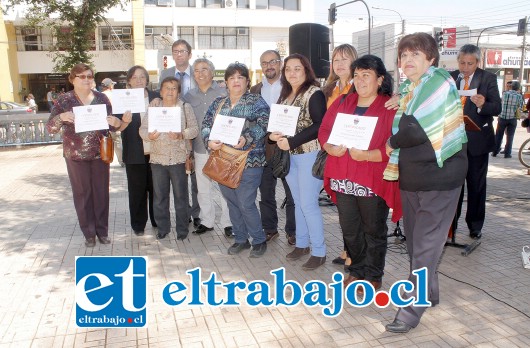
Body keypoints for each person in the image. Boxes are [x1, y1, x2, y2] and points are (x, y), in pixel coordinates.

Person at [383, 32, 468, 333]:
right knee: (416, 245)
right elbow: (406, 117)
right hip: (413, 178)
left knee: (425, 247)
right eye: (404, 55)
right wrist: (401, 101)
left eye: (415, 54)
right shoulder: (409, 88)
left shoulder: (439, 82)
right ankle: (430, 294)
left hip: (441, 179)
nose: (408, 61)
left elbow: (416, 129)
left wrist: (392, 141)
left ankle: (410, 311)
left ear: (431, 59)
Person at [319, 54, 401, 291]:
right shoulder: (344, 101)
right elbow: (325, 129)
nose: (360, 80)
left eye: (367, 75)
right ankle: (357, 270)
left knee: (373, 230)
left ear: (380, 79)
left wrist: (368, 155)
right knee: (350, 230)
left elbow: (395, 143)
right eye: (356, 75)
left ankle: (374, 274)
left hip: (371, 177)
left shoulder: (389, 106)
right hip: (344, 177)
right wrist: (329, 147)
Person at [46, 63, 122, 247]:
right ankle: (89, 233)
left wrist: (116, 121)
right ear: (73, 79)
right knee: (82, 194)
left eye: (90, 76)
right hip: (75, 155)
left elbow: (112, 125)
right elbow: (50, 128)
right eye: (82, 76)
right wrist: (61, 117)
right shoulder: (64, 100)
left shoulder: (102, 98)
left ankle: (102, 231)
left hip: (99, 154)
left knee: (101, 193)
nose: (87, 80)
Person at [201, 63, 270, 258]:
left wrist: (247, 137)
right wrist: (209, 140)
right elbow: (206, 124)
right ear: (226, 83)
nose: (236, 81)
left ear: (247, 82)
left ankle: (259, 240)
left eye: (240, 77)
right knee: (232, 202)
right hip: (223, 161)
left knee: (246, 202)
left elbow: (264, 122)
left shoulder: (255, 101)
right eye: (232, 78)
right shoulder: (218, 103)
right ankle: (241, 239)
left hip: (249, 161)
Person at [269, 54, 327, 270]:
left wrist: (291, 142)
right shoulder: (286, 96)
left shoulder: (315, 93)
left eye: (297, 68)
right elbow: (275, 126)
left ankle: (319, 251)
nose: (292, 73)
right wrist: (272, 137)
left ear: (306, 70)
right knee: (298, 202)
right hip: (290, 157)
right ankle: (302, 244)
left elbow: (320, 125)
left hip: (309, 155)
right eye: (288, 69)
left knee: (309, 203)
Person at [450, 44, 502, 240]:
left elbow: (497, 107)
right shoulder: (451, 77)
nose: (464, 67)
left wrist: (482, 105)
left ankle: (475, 225)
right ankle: (450, 225)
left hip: (477, 141)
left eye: (469, 63)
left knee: (476, 185)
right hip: (452, 141)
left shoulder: (487, 78)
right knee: (453, 185)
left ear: (477, 62)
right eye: (462, 62)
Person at [140, 76, 198, 241]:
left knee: (181, 196)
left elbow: (194, 129)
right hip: (157, 159)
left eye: (174, 88)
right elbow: (142, 130)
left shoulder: (185, 107)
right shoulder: (154, 107)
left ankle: (182, 229)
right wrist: (149, 136)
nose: (170, 91)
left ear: (178, 92)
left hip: (178, 158)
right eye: (167, 88)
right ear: (161, 91)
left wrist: (182, 134)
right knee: (160, 197)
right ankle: (163, 228)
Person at [182, 58, 232, 237]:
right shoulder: (188, 96)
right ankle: (206, 221)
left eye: (204, 69)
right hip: (199, 148)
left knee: (225, 188)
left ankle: (228, 223)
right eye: (196, 70)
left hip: (221, 148)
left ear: (212, 72)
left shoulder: (224, 93)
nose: (200, 73)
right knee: (202, 188)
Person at [250, 49, 296, 244]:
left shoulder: (292, 86)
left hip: (288, 146)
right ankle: (270, 228)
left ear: (280, 63)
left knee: (292, 192)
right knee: (266, 192)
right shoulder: (254, 90)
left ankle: (293, 231)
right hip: (263, 148)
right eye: (264, 62)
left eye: (273, 61)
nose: (269, 66)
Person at [321, 43, 358, 268]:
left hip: (354, 153)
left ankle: (354, 253)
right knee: (342, 205)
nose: (340, 64)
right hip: (334, 152)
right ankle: (347, 249)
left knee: (354, 206)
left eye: (345, 59)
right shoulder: (329, 89)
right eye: (336, 60)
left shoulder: (360, 87)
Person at [160, 39, 201, 228]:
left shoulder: (198, 72)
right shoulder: (165, 74)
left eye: (182, 51)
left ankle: (197, 213)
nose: (179, 54)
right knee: (180, 178)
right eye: (175, 51)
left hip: (196, 127)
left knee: (196, 177)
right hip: (171, 133)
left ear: (189, 54)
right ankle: (183, 214)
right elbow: (161, 98)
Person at [116, 65, 159, 236]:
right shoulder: (122, 99)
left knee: (157, 189)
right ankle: (138, 225)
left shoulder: (157, 97)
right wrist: (122, 121)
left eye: (142, 77)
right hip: (134, 151)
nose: (139, 80)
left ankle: (158, 221)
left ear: (147, 80)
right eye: (135, 77)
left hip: (156, 150)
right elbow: (117, 126)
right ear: (129, 81)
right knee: (137, 190)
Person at [493, 80, 524, 158]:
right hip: (512, 118)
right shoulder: (519, 96)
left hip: (502, 117)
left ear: (512, 86)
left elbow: (501, 102)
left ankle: (495, 152)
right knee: (510, 136)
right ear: (518, 88)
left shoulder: (505, 94)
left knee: (498, 135)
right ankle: (507, 153)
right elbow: (520, 107)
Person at [101, 78, 124, 167]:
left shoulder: (99, 95)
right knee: (117, 141)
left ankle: (106, 157)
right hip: (114, 121)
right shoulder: (113, 94)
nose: (113, 86)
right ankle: (121, 161)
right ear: (110, 85)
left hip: (103, 124)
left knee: (104, 142)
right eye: (112, 84)